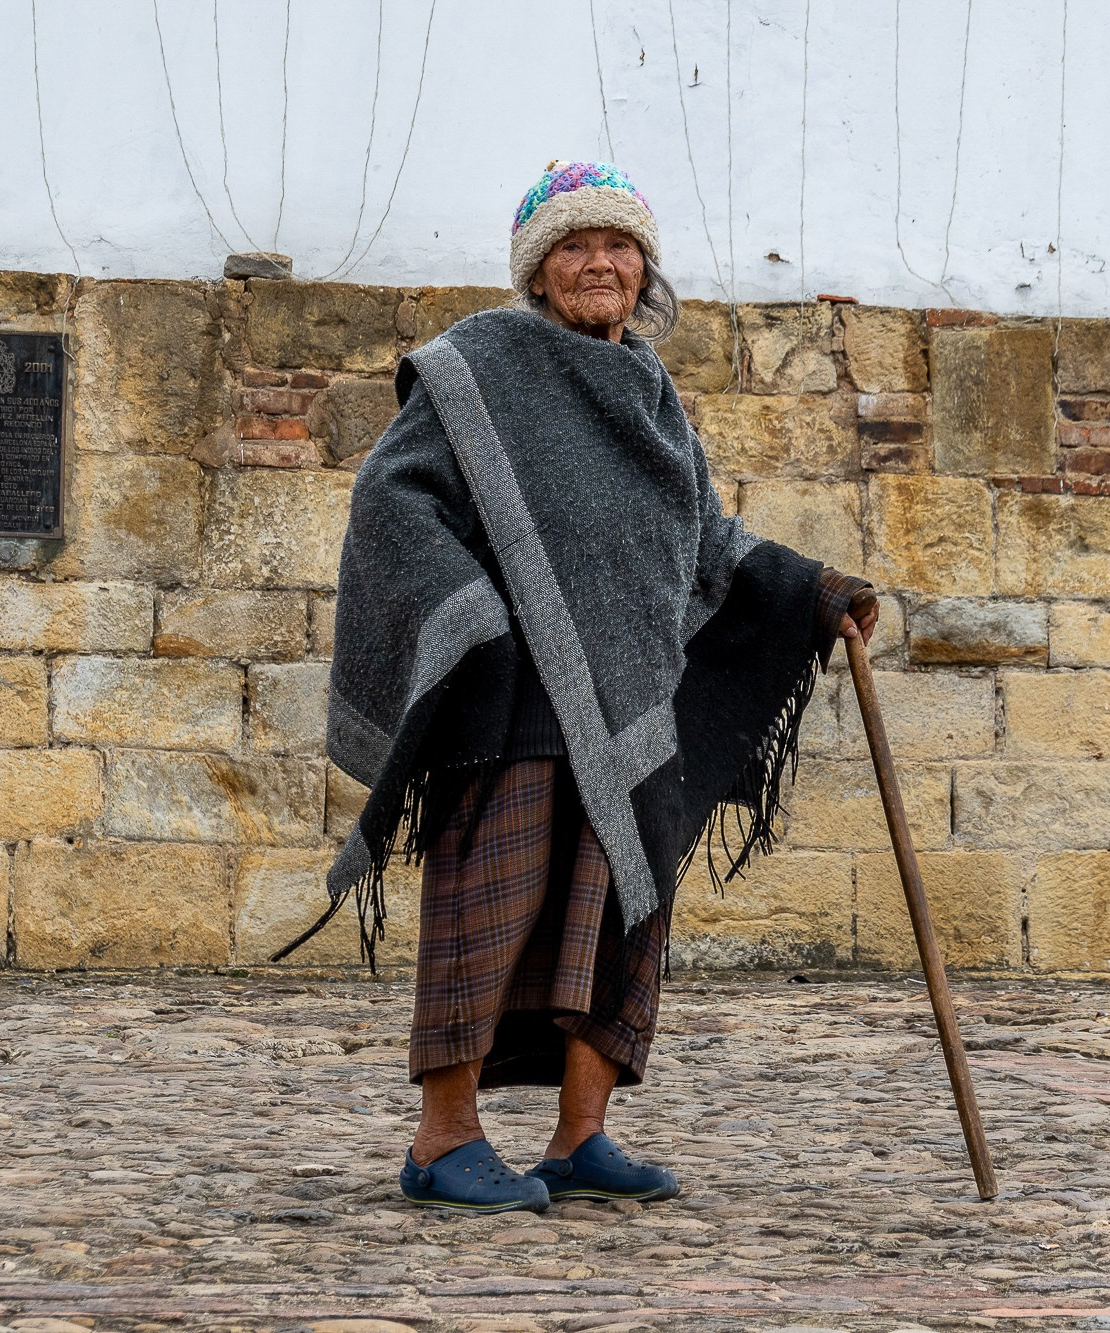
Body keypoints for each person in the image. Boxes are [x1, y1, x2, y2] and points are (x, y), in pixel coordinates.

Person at [280, 161, 876, 1213]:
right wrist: (475, 617)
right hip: (510, 700)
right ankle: (441, 1139)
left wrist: (811, 588)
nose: (596, 262)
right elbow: (391, 497)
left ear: (642, 265)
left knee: (619, 914)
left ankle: (578, 1136)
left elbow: (704, 539)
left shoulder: (649, 389)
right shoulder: (480, 364)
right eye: (571, 246)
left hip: (633, 703)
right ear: (538, 268)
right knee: (487, 909)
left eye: (616, 244)